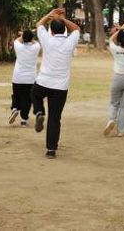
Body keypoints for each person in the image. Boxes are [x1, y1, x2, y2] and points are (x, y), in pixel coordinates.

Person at [32, 8, 80, 158]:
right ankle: (51, 149)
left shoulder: (47, 39)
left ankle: (39, 111)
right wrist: (62, 19)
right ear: (64, 30)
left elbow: (39, 24)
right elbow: (77, 29)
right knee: (55, 118)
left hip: (43, 81)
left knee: (34, 94)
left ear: (51, 31)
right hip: (60, 87)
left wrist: (50, 15)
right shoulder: (70, 41)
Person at [104, 23, 124, 137]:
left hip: (117, 77)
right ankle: (121, 130)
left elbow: (110, 39)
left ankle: (111, 119)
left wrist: (120, 30)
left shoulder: (115, 49)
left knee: (114, 103)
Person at [9, 29, 41, 127]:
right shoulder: (36, 47)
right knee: (27, 99)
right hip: (30, 78)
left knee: (16, 95)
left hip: (18, 77)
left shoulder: (18, 46)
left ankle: (14, 108)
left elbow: (18, 40)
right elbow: (35, 41)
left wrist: (22, 35)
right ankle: (23, 120)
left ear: (23, 38)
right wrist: (30, 36)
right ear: (32, 38)